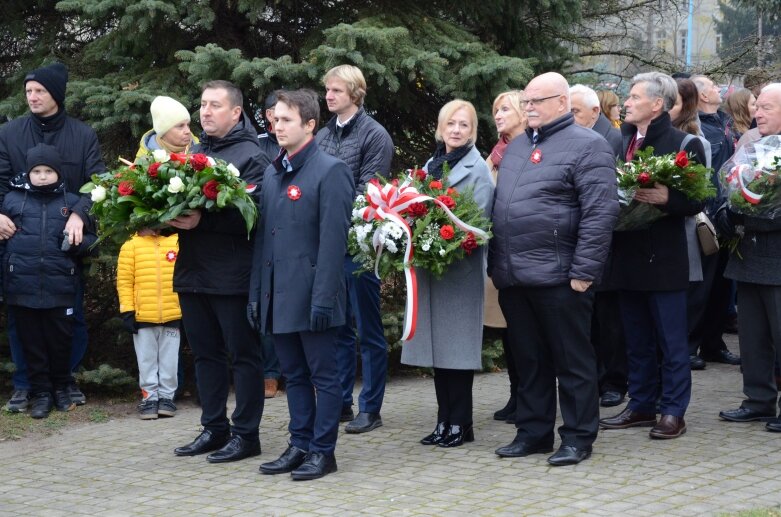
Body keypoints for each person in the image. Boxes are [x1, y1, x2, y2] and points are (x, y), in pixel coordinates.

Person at [490, 72, 619, 466]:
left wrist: (584, 271)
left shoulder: (589, 146)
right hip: (515, 277)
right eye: (525, 102)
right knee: (530, 361)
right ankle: (533, 432)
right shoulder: (515, 149)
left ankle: (578, 437)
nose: (528, 108)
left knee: (573, 362)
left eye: (536, 101)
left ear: (562, 103)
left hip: (563, 278)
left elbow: (600, 213)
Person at [250, 89, 354, 480]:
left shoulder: (331, 170)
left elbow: (332, 243)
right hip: (280, 296)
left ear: (310, 125)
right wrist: (258, 294)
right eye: (275, 120)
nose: (277, 127)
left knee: (324, 376)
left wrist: (324, 299)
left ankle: (323, 451)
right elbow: (265, 240)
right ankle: (300, 443)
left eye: (286, 120)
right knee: (293, 374)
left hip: (314, 296)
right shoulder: (273, 171)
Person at [600, 72, 707, 440]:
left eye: (633, 97)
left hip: (663, 259)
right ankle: (642, 404)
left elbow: (698, 199)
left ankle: (673, 410)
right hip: (627, 255)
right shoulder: (622, 141)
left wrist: (669, 199)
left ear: (656, 104)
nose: (626, 102)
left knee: (671, 341)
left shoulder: (683, 143)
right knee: (637, 338)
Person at [170, 80, 265, 463]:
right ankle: (213, 427)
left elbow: (254, 217)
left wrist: (201, 222)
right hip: (193, 272)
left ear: (236, 112)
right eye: (203, 105)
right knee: (205, 355)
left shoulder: (251, 156)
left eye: (215, 105)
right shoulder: (193, 151)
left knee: (243, 356)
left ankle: (246, 434)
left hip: (232, 275)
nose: (205, 112)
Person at [0, 62, 105, 412]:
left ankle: (66, 381)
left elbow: (99, 184)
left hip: (65, 246)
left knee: (69, 316)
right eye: (28, 91)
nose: (32, 97)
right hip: (20, 244)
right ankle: (26, 384)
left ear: (55, 95)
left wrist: (80, 213)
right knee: (21, 317)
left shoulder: (82, 135)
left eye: (39, 91)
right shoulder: (9, 133)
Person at [401, 100, 494, 448]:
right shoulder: (430, 165)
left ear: (472, 132)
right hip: (432, 270)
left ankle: (462, 424)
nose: (456, 130)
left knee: (457, 354)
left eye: (464, 125)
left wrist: (444, 240)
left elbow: (479, 223)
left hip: (460, 272)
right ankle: (443, 421)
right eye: (451, 124)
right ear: (440, 128)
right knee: (439, 354)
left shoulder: (478, 169)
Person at [316, 65, 394, 434]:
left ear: (355, 93)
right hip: (329, 243)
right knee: (338, 329)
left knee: (367, 328)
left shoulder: (374, 134)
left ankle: (371, 407)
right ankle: (342, 402)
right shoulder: (323, 134)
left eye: (335, 90)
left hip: (361, 243)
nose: (328, 96)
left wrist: (332, 209)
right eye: (327, 90)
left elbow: (371, 189)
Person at [0, 143, 97, 418]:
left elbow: (93, 241)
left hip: (61, 287)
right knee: (32, 342)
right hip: (22, 286)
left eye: (48, 171)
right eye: (37, 171)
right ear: (28, 173)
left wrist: (77, 244)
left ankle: (62, 387)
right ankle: (41, 393)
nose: (42, 176)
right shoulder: (12, 201)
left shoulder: (72, 202)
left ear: (59, 173)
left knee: (60, 341)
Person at [718, 83, 781, 429]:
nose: (758, 112)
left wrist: (751, 215)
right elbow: (740, 192)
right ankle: (758, 400)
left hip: (778, 260)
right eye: (758, 106)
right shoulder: (756, 147)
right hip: (749, 257)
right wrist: (728, 213)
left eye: (767, 107)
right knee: (752, 338)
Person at [570, 84, 627, 408]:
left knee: (609, 321)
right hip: (582, 244)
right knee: (592, 321)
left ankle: (614, 380)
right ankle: (596, 378)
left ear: (595, 111)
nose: (571, 118)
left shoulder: (609, 138)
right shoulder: (581, 135)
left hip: (606, 244)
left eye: (575, 112)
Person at [485, 90, 525, 424]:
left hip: (521, 254)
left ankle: (528, 396)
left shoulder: (525, 149)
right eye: (496, 110)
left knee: (523, 333)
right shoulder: (497, 151)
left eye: (505, 109)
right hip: (499, 255)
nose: (498, 114)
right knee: (508, 331)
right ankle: (516, 394)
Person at [116, 230, 181, 420]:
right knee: (146, 361)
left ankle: (167, 397)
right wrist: (127, 310)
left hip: (172, 314)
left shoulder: (177, 241)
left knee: (170, 361)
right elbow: (125, 282)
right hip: (142, 315)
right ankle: (149, 398)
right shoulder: (131, 245)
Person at [256, 90, 283, 399]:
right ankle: (270, 373)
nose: (278, 119)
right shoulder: (259, 145)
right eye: (273, 113)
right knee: (266, 309)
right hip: (264, 231)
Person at [570, 84, 622, 156]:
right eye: (567, 112)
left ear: (594, 111)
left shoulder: (617, 139)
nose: (569, 117)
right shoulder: (565, 136)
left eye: (575, 111)